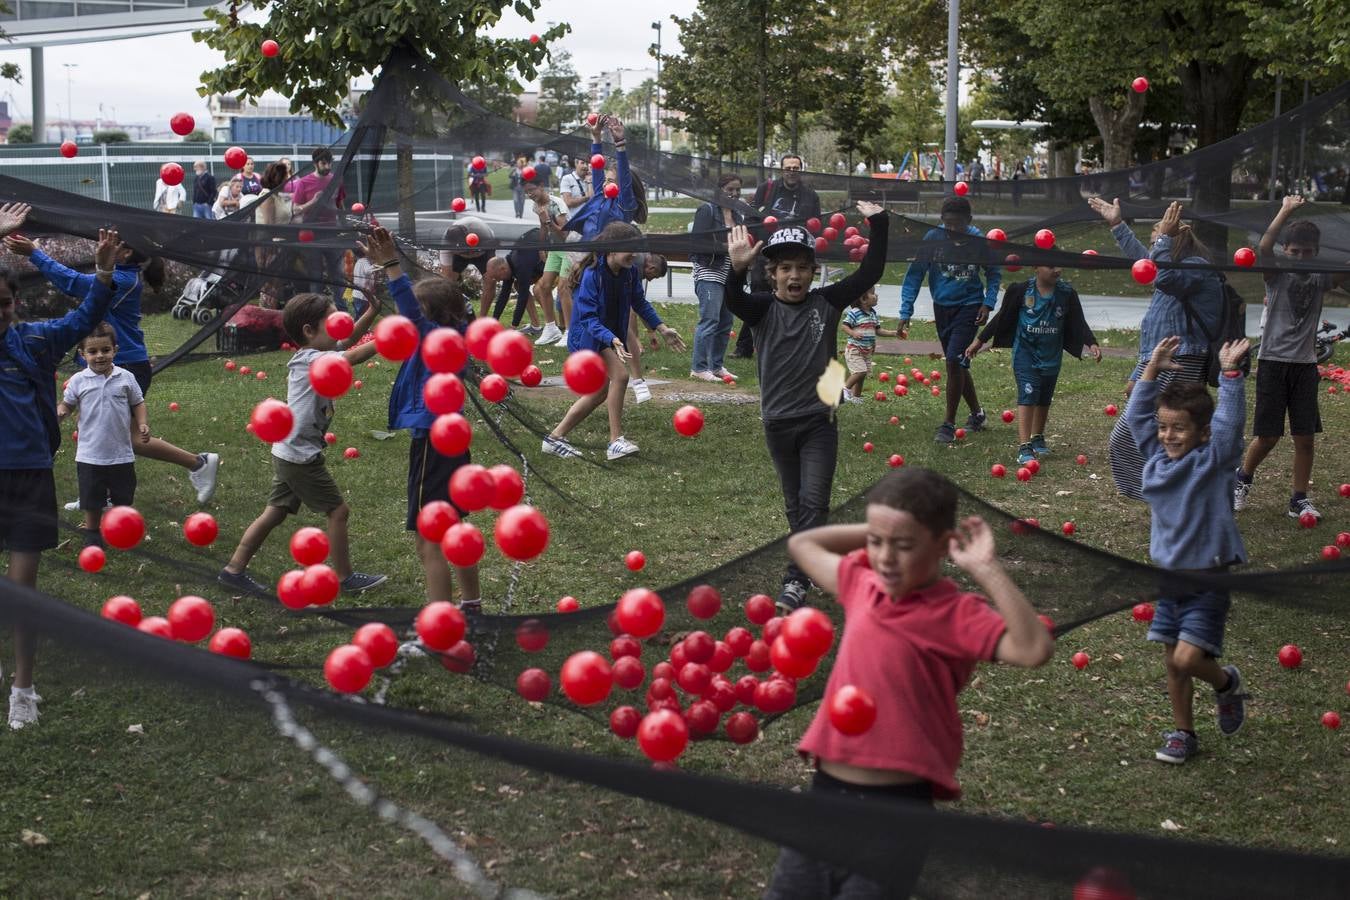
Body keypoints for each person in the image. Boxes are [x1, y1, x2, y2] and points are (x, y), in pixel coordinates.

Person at [766, 467, 1054, 897]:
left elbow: (1033, 649)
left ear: (942, 546)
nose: (884, 557)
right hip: (824, 802)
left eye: (903, 546)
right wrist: (881, 524)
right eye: (876, 544)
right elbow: (803, 544)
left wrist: (986, 570)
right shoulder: (862, 585)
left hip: (897, 817)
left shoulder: (957, 614)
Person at [724, 203, 888, 612]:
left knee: (814, 502)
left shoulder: (827, 303)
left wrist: (880, 224)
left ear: (813, 271)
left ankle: (796, 580)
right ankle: (815, 564)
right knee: (796, 505)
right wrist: (737, 269)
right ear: (773, 274)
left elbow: (870, 273)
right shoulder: (761, 309)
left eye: (801, 267)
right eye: (784, 269)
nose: (793, 276)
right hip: (777, 424)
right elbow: (732, 299)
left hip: (819, 422)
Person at [0, 208, 120, 730]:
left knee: (25, 593)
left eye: (3, 303)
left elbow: (84, 315)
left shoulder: (34, 340)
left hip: (27, 475)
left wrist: (103, 273)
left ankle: (22, 688)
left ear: (15, 302)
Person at [3, 233, 221, 504]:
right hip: (114, 362)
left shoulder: (122, 280)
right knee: (101, 428)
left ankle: (198, 463)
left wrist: (36, 254)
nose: (101, 245)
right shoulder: (125, 277)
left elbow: (73, 284)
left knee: (127, 437)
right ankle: (99, 495)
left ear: (126, 253)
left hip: (124, 365)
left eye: (111, 244)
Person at [1125, 335, 1251, 764]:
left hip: (1208, 578)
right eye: (1164, 426)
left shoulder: (1213, 461)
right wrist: (1151, 371)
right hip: (1168, 579)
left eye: (1179, 428)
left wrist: (1230, 375)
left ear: (1201, 433)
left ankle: (1225, 683)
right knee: (1173, 662)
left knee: (1186, 656)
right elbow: (1136, 418)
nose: (1168, 435)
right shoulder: (1154, 460)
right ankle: (1183, 733)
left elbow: (1231, 427)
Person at [217, 287, 387, 597]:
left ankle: (233, 570)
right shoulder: (311, 361)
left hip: (288, 450)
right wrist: (388, 338)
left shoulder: (316, 353)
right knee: (338, 511)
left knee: (275, 512)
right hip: (299, 455)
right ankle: (346, 578)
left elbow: (346, 342)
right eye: (332, 321)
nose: (340, 326)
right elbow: (351, 354)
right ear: (309, 331)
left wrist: (371, 313)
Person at [368, 227, 484, 612]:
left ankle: (441, 625)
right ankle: (471, 604)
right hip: (453, 440)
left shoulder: (431, 338)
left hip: (433, 442)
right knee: (456, 525)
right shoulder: (458, 339)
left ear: (427, 317)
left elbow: (408, 308)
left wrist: (390, 265)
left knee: (429, 537)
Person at [1089, 198, 1224, 501]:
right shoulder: (1172, 273)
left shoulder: (1193, 269)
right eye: (1154, 243)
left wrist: (1164, 236)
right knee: (1149, 432)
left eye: (1159, 243)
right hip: (1160, 359)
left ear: (1173, 244)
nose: (1153, 250)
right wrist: (1117, 225)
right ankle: (1165, 490)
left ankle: (1167, 491)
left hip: (1181, 361)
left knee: (1155, 432)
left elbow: (1158, 272)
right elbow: (1148, 266)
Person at [1235, 196, 1350, 522]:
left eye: (1307, 252)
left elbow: (1344, 272)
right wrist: (1285, 210)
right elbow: (1265, 246)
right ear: (1287, 251)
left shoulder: (1320, 278)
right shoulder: (1275, 276)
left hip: (1304, 366)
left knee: (1305, 438)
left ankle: (1298, 498)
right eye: (1295, 251)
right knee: (1268, 436)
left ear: (1316, 252)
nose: (1301, 257)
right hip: (1273, 362)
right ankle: (1242, 477)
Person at [541, 222, 684, 462]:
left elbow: (639, 303)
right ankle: (615, 441)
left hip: (606, 337)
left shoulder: (628, 273)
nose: (635, 255)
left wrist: (662, 328)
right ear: (612, 250)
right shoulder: (592, 275)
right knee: (620, 376)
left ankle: (554, 438)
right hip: (588, 337)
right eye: (630, 249)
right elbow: (587, 317)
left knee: (599, 394)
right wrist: (612, 338)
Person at [966, 259, 1101, 463]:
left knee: (1044, 396)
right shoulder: (1021, 291)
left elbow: (1078, 321)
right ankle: (1024, 446)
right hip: (1025, 354)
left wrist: (1091, 343)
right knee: (1028, 394)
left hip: (1051, 354)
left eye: (1058, 265)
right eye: (1051, 265)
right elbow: (1002, 317)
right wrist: (979, 340)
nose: (1057, 268)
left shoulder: (1067, 294)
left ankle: (1037, 437)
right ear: (1036, 267)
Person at [899, 195, 1001, 444]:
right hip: (942, 308)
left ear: (969, 220)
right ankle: (977, 414)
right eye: (948, 224)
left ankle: (948, 424)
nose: (953, 229)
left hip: (969, 307)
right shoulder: (933, 238)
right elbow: (915, 274)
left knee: (954, 362)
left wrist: (988, 303)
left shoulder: (979, 241)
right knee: (957, 364)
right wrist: (905, 311)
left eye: (958, 224)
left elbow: (994, 273)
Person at [56, 322, 147, 548]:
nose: (99, 356)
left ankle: (121, 529)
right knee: (91, 498)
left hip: (121, 453)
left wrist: (143, 423)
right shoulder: (79, 380)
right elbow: (68, 404)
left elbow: (138, 402)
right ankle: (92, 531)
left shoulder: (125, 377)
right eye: (93, 351)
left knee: (123, 496)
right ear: (82, 354)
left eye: (105, 350)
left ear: (115, 350)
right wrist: (61, 413)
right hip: (90, 454)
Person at [741, 155, 823, 360]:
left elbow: (816, 225)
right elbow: (751, 216)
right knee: (759, 295)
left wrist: (814, 255)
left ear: (801, 170)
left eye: (796, 168)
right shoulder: (767, 189)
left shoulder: (810, 195)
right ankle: (746, 345)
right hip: (767, 252)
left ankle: (786, 344)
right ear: (782, 170)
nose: (792, 171)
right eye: (788, 168)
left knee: (790, 298)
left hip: (795, 254)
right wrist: (753, 245)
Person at [689, 174, 746, 382]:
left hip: (730, 273)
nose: (734, 193)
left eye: (738, 189)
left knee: (725, 322)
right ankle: (699, 367)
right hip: (709, 270)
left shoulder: (739, 215)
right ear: (719, 189)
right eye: (730, 189)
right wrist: (726, 248)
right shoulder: (707, 210)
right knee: (710, 319)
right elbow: (697, 243)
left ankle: (716, 366)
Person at [291, 147, 348, 312]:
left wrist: (344, 226)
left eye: (330, 163)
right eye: (324, 163)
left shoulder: (336, 180)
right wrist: (313, 202)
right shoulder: (304, 182)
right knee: (316, 276)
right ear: (316, 163)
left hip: (333, 232)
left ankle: (343, 311)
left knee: (338, 274)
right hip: (312, 234)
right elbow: (295, 209)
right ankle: (318, 312)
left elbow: (340, 204)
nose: (327, 166)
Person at [253, 161, 296, 310]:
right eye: (286, 175)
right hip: (270, 247)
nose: (289, 178)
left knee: (277, 285)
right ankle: (266, 315)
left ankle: (270, 315)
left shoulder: (278, 196)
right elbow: (269, 225)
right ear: (278, 177)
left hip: (281, 245)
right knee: (270, 285)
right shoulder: (268, 196)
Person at [840, 288, 896, 402]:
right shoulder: (855, 312)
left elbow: (879, 331)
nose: (876, 295)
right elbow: (844, 326)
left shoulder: (872, 314)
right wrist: (853, 333)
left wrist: (894, 333)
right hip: (854, 349)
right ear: (863, 299)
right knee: (860, 372)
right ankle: (845, 390)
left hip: (866, 351)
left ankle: (856, 397)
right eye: (873, 293)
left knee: (862, 375)